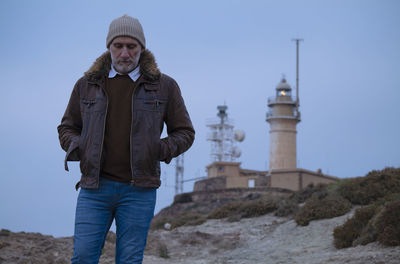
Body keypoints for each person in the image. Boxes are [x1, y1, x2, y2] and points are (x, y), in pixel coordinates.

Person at [57, 14, 195, 264]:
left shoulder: (165, 86)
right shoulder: (86, 85)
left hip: (139, 191)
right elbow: (67, 128)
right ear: (109, 47)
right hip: (94, 188)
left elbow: (185, 132)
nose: (124, 53)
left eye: (131, 46)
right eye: (117, 46)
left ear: (141, 48)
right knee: (83, 257)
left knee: (129, 260)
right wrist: (80, 146)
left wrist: (159, 149)